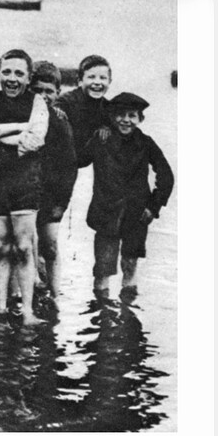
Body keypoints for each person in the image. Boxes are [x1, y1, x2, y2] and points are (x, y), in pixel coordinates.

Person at [0, 49, 48, 325]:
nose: (11, 79)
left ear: (28, 77)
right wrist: (16, 129)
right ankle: (1, 307)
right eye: (6, 72)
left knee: (24, 247)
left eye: (18, 73)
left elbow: (35, 138)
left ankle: (27, 310)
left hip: (25, 181)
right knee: (0, 246)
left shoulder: (37, 101)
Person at [81, 92, 174, 303]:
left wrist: (153, 207)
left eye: (132, 115)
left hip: (137, 213)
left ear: (140, 119)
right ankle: (101, 313)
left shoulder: (146, 142)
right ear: (111, 117)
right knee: (103, 269)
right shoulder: (100, 138)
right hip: (106, 211)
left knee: (131, 262)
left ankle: (128, 309)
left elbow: (166, 176)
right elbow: (77, 160)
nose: (126, 120)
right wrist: (94, 133)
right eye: (120, 115)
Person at [30, 61, 78, 299]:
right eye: (37, 90)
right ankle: (30, 288)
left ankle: (55, 292)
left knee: (49, 244)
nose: (43, 96)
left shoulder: (60, 121)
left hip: (51, 195)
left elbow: (69, 166)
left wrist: (61, 203)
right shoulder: (21, 116)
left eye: (49, 91)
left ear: (58, 93)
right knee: (25, 245)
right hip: (25, 193)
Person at [56, 54, 113, 164]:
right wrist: (57, 110)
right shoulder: (68, 99)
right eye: (91, 77)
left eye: (103, 78)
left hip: (88, 162)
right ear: (80, 81)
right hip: (63, 160)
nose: (97, 82)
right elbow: (58, 104)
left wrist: (106, 128)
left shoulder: (108, 107)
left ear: (109, 81)